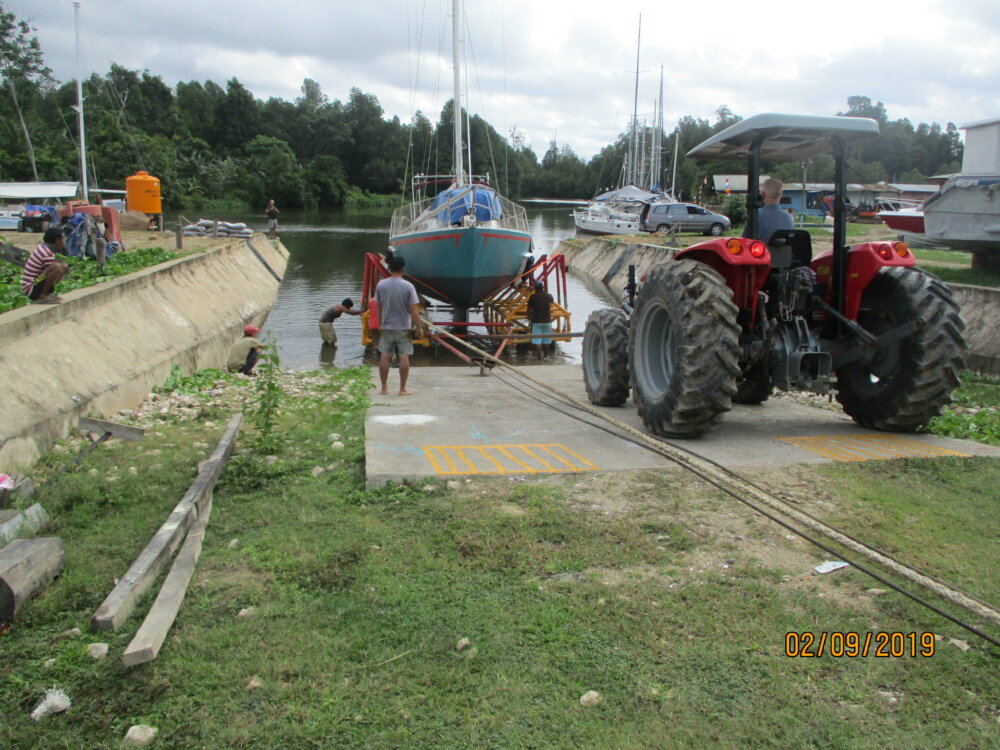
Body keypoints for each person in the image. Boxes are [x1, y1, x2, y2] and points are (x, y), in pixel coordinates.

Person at [374, 256, 423, 395]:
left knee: (385, 356)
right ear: (403, 269)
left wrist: (380, 323)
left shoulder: (381, 284)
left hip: (386, 326)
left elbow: (378, 307)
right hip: (403, 327)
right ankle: (402, 389)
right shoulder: (408, 286)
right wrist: (419, 328)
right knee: (404, 356)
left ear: (389, 268)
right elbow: (413, 309)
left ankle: (384, 388)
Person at [21, 227, 70, 304]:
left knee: (61, 267)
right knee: (56, 267)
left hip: (34, 283)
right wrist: (48, 273)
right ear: (57, 240)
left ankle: (46, 293)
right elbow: (46, 274)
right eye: (63, 239)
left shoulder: (43, 248)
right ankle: (42, 296)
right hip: (31, 286)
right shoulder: (46, 253)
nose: (64, 242)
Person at [753, 177, 794, 242]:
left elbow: (745, 240)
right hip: (784, 252)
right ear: (781, 194)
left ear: (763, 194)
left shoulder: (756, 216)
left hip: (763, 251)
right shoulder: (789, 218)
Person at [526, 280, 554, 360]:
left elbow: (529, 309)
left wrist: (528, 317)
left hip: (536, 321)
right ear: (543, 288)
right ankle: (546, 357)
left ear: (535, 288)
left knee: (537, 341)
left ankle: (539, 359)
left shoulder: (533, 296)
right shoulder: (549, 296)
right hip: (547, 321)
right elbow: (552, 302)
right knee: (547, 341)